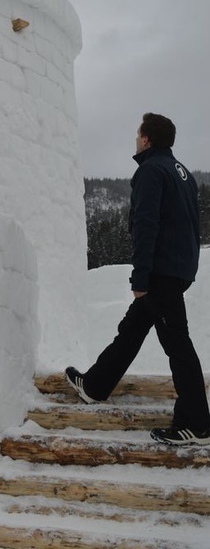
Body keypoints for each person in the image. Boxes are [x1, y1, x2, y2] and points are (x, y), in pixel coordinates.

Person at [66, 113, 210, 446]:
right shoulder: (182, 172)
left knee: (177, 344)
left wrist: (141, 276)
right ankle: (95, 386)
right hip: (178, 269)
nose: (135, 138)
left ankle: (197, 423)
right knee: (131, 329)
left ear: (146, 139)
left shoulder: (149, 171)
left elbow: (145, 226)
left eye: (137, 133)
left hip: (161, 273)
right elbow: (190, 225)